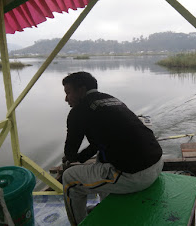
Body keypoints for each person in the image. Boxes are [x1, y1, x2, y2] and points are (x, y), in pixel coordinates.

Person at [61, 71, 163, 225]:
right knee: (101, 159)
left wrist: (69, 161)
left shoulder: (78, 111)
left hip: (136, 176)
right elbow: (98, 143)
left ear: (81, 90)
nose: (65, 99)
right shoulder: (111, 99)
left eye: (68, 93)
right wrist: (80, 158)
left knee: (69, 178)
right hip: (157, 165)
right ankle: (105, 205)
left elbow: (70, 152)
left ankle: (80, 223)